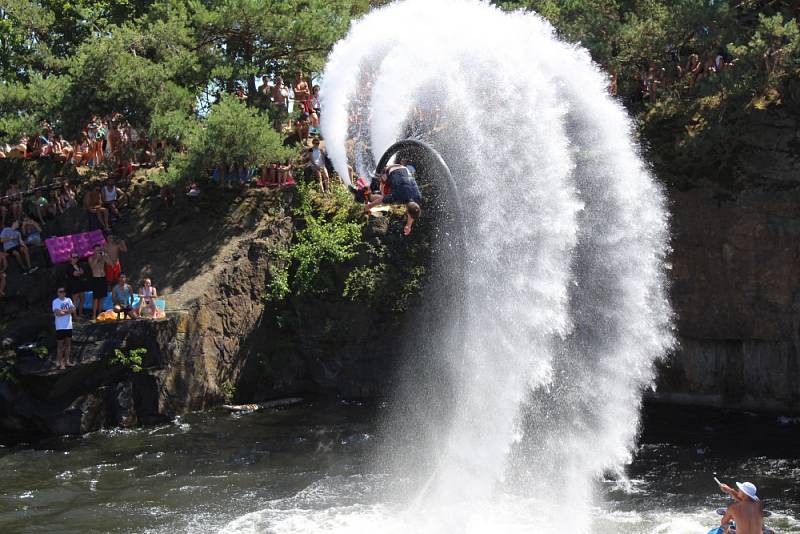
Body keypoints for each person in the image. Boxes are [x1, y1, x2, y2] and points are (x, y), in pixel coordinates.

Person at [364, 163, 422, 236]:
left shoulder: (418, 198)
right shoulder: (397, 197)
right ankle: (368, 195)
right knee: (384, 197)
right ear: (406, 210)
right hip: (388, 171)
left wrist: (409, 225)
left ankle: (373, 192)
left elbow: (412, 212)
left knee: (387, 197)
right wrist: (369, 206)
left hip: (403, 168)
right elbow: (381, 200)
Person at [52, 287, 76, 369]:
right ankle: (61, 363)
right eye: (60, 291)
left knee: (68, 345)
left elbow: (73, 309)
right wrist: (67, 311)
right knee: (60, 346)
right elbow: (58, 313)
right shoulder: (55, 301)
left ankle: (67, 361)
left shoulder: (69, 300)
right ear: (58, 293)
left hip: (68, 326)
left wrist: (64, 311)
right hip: (60, 326)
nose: (62, 293)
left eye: (64, 291)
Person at [88, 244, 108, 320]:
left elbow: (110, 263)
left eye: (99, 250)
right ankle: (93, 315)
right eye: (96, 250)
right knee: (95, 298)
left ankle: (99, 315)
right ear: (93, 251)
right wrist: (97, 257)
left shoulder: (103, 257)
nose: (98, 251)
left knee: (102, 298)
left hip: (103, 278)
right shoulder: (91, 258)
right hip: (96, 279)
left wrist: (105, 255)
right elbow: (92, 267)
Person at [65, 252, 87, 317]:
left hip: (80, 284)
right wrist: (79, 272)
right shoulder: (69, 266)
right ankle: (75, 316)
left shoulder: (78, 264)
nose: (75, 259)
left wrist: (79, 272)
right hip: (74, 286)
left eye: (77, 257)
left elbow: (82, 272)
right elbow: (75, 274)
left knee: (83, 299)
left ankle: (80, 313)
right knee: (74, 301)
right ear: (70, 258)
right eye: (74, 257)